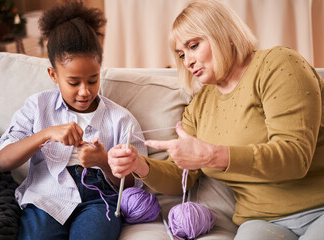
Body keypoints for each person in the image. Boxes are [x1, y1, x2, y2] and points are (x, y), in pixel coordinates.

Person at [108, 0, 324, 239]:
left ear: (223, 33)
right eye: (181, 54)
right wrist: (138, 164)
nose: (187, 61)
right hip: (261, 220)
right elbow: (180, 176)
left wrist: (213, 155)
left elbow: (295, 157)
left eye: (193, 46)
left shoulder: (278, 65)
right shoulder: (199, 106)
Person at [0, 2, 147, 240]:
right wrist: (44, 134)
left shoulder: (121, 120)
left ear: (100, 70)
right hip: (45, 198)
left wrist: (104, 161)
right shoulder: (37, 106)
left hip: (100, 201)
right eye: (74, 82)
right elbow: (3, 161)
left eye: (93, 80)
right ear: (53, 75)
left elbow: (132, 187)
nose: (85, 91)